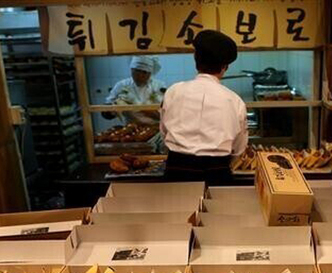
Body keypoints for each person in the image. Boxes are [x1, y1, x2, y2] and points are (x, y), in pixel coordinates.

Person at [160, 30, 248, 184]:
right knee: (218, 202)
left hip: (177, 169)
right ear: (225, 66)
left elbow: (164, 132)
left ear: (196, 60)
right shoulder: (235, 100)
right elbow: (239, 148)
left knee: (176, 201)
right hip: (218, 171)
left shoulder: (173, 91)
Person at [103, 56, 165, 127]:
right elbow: (106, 113)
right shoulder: (121, 85)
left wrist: (136, 105)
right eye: (137, 72)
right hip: (131, 128)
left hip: (154, 127)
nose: (140, 76)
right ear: (131, 70)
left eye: (144, 73)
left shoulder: (159, 86)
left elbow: (163, 116)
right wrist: (112, 111)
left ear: (150, 73)